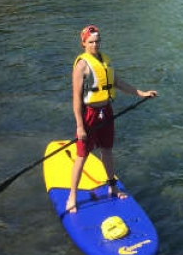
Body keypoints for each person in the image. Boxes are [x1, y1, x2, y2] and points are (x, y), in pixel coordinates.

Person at [65, 25, 157, 213]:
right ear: (83, 43)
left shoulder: (105, 61)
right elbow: (76, 98)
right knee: (82, 156)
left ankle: (112, 186)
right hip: (88, 115)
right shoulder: (82, 65)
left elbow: (118, 83)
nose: (95, 44)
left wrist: (141, 93)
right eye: (91, 42)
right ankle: (72, 195)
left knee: (107, 151)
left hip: (106, 111)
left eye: (98, 41)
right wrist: (80, 126)